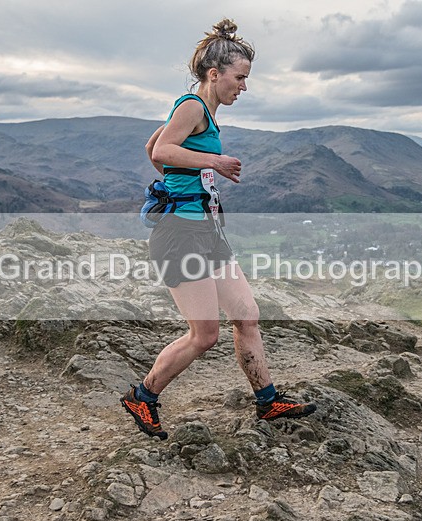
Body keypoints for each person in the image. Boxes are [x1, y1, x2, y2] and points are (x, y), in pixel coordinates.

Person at [121, 19, 316, 440]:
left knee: (246, 315)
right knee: (204, 335)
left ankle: (268, 401)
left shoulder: (203, 111)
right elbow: (161, 149)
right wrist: (214, 163)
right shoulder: (192, 107)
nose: (244, 86)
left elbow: (153, 148)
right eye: (240, 78)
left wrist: (180, 177)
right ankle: (143, 396)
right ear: (215, 74)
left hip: (207, 232)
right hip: (180, 235)